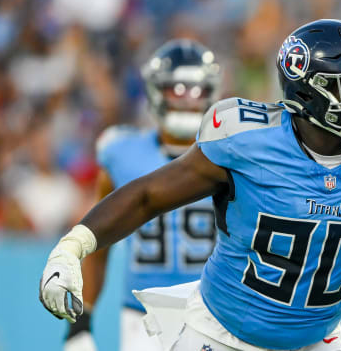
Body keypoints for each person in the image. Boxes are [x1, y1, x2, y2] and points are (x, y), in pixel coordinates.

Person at [40, 19, 341, 351]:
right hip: (218, 335)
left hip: (318, 338)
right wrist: (73, 246)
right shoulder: (246, 143)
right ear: (309, 94)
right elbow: (146, 195)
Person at [62, 39, 223, 350]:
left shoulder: (230, 153)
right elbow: (98, 241)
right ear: (155, 91)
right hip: (141, 316)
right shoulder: (121, 151)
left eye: (196, 89)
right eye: (176, 89)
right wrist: (80, 323)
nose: (187, 100)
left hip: (213, 313)